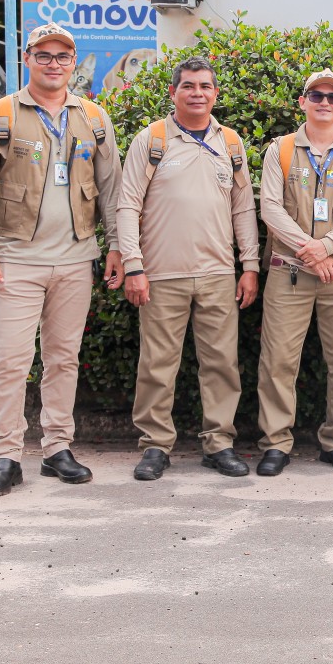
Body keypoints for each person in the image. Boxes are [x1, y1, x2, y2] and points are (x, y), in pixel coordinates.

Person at [0, 23, 123, 496]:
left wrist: (116, 246)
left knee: (63, 359)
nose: (54, 63)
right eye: (44, 55)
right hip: (16, 260)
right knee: (10, 361)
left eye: (62, 56)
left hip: (76, 260)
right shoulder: (1, 115)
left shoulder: (93, 117)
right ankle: (6, 456)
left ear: (73, 62)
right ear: (27, 58)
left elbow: (111, 189)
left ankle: (57, 449)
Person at [118, 57, 260, 481]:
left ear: (215, 94)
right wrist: (133, 266)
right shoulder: (153, 139)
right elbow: (127, 205)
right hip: (161, 273)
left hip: (218, 273)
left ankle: (219, 443)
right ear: (173, 92)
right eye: (188, 86)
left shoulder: (230, 143)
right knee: (158, 363)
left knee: (221, 363)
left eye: (205, 86)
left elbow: (243, 208)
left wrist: (249, 265)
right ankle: (155, 446)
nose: (197, 93)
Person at [254, 69, 333, 476]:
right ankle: (275, 443)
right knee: (278, 361)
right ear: (302, 102)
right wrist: (311, 252)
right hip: (288, 271)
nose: (324, 102)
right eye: (316, 95)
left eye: (332, 97)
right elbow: (269, 207)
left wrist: (327, 247)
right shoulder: (281, 150)